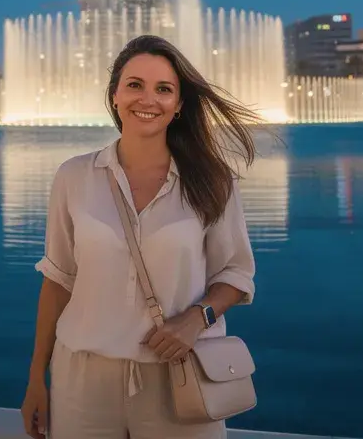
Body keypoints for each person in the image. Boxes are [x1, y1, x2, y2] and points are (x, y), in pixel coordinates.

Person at [21, 34, 260, 438]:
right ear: (115, 95)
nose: (147, 100)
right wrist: (34, 381)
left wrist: (195, 319)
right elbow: (58, 281)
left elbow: (236, 274)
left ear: (179, 105)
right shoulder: (74, 176)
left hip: (180, 373)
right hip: (83, 376)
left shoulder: (210, 181)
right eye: (134, 85)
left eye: (163, 89)